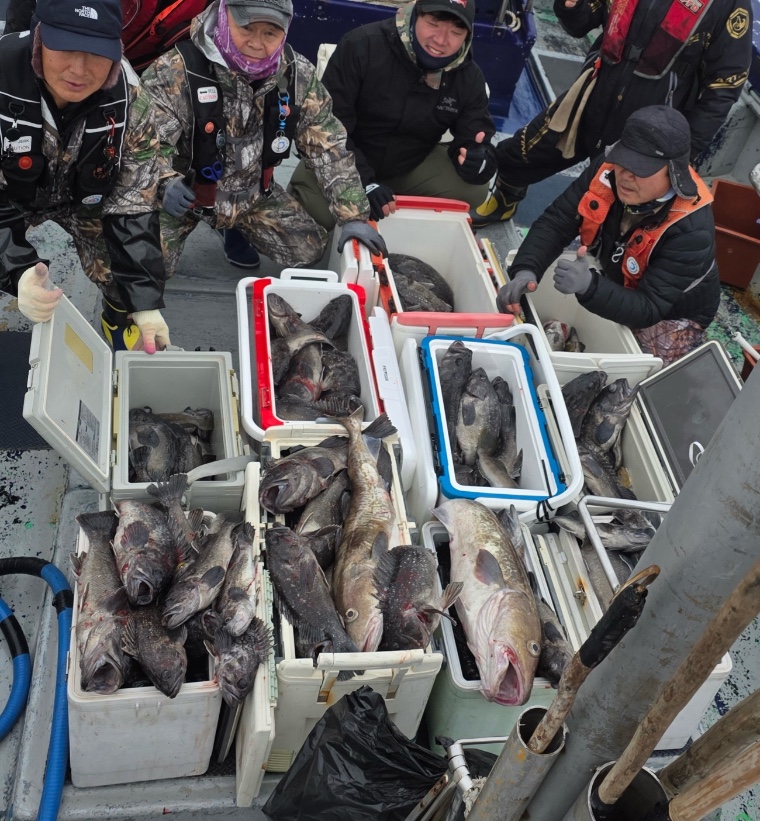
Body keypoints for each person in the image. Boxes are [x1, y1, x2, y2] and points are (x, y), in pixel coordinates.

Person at [140, 0, 385, 282]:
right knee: (145, 265)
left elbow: (329, 147)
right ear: (223, 17)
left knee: (310, 248)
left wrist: (354, 216)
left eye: (270, 33)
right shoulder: (173, 71)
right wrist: (165, 183)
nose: (257, 43)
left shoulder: (298, 75)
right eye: (246, 28)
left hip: (253, 195)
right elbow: (142, 146)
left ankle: (232, 227)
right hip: (185, 199)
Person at [471, 0, 752, 226]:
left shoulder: (729, 6)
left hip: (649, 126)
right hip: (593, 94)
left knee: (611, 197)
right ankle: (505, 201)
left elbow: (723, 89)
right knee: (526, 150)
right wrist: (571, 7)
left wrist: (683, 152)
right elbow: (580, 24)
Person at [0, 0, 170, 352]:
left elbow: (133, 200)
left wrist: (144, 300)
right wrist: (17, 269)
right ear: (39, 38)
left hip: (84, 198)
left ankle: (120, 317)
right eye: (65, 47)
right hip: (9, 196)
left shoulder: (132, 98)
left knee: (148, 258)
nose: (78, 69)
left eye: (96, 52)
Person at [498, 106, 719, 366]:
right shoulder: (606, 171)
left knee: (642, 366)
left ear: (674, 171)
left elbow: (649, 308)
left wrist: (590, 286)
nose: (626, 175)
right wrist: (526, 268)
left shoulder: (693, 230)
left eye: (641, 168)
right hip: (617, 262)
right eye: (623, 160)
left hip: (670, 311)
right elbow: (557, 221)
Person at [287, 0, 497, 228]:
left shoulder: (469, 77)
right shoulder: (361, 45)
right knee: (317, 215)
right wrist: (364, 182)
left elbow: (476, 136)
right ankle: (308, 190)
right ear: (415, 14)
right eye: (434, 24)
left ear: (467, 35)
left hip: (408, 162)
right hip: (343, 157)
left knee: (475, 188)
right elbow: (326, 128)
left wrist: (479, 158)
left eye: (456, 32)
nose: (441, 40)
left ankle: (396, 205)